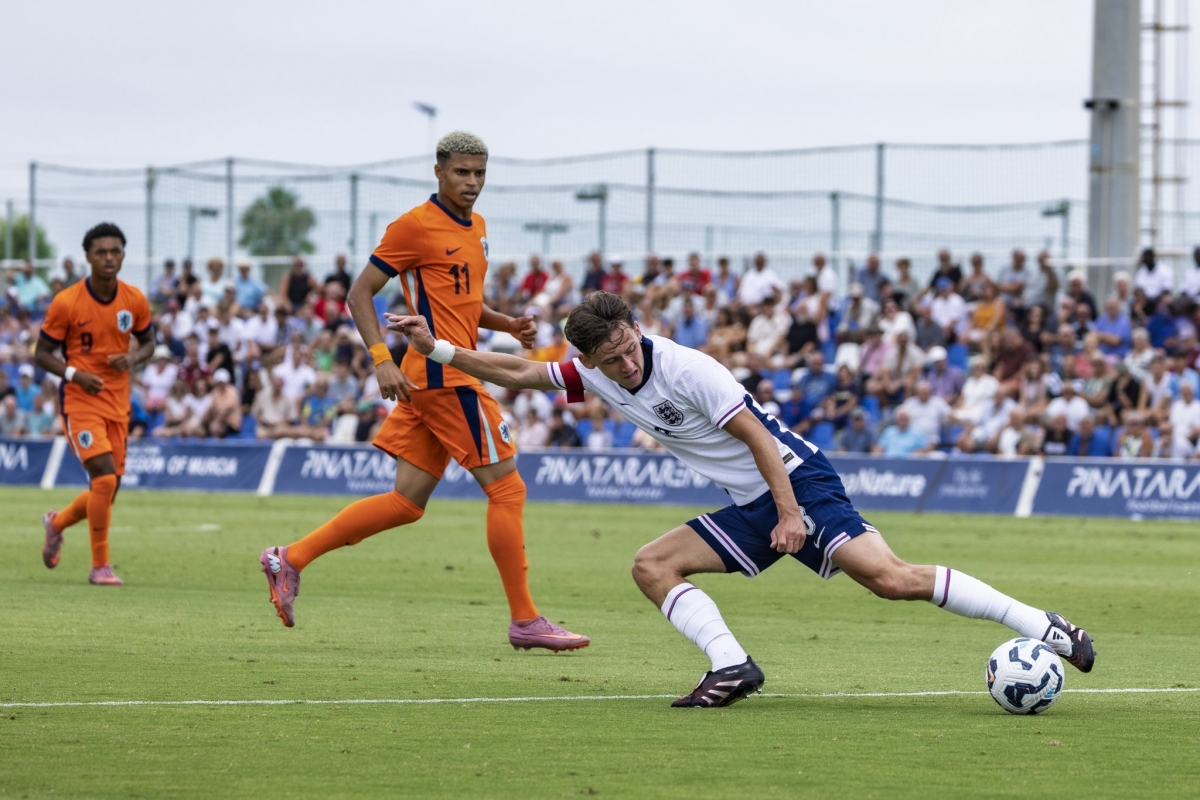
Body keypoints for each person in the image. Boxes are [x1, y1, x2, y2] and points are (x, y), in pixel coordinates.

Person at [388, 291, 1095, 708]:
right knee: (651, 566)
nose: (628, 364)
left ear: (637, 331)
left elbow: (759, 437)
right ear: (593, 362)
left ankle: (1046, 626)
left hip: (795, 479)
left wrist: (791, 512)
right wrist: (442, 351)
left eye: (632, 348)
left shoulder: (690, 369)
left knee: (890, 579)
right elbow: (514, 369)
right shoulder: (593, 375)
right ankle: (732, 666)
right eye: (613, 360)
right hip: (753, 500)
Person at [257, 131, 588, 652]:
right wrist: (380, 359)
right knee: (507, 488)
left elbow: (463, 303)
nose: (472, 183)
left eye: (479, 173)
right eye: (462, 172)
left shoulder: (476, 227)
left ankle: (288, 558)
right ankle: (525, 620)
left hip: (438, 373)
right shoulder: (413, 226)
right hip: (442, 376)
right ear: (438, 171)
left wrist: (508, 325)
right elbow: (358, 292)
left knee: (406, 502)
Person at [34, 222, 154, 586]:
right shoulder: (67, 302)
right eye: (101, 252)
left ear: (123, 255)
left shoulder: (133, 299)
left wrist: (132, 359)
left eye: (115, 251)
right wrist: (74, 374)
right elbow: (41, 354)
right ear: (87, 256)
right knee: (102, 477)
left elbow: (149, 342)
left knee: (109, 488)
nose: (108, 258)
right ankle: (100, 566)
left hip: (118, 403)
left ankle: (56, 523)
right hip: (80, 400)